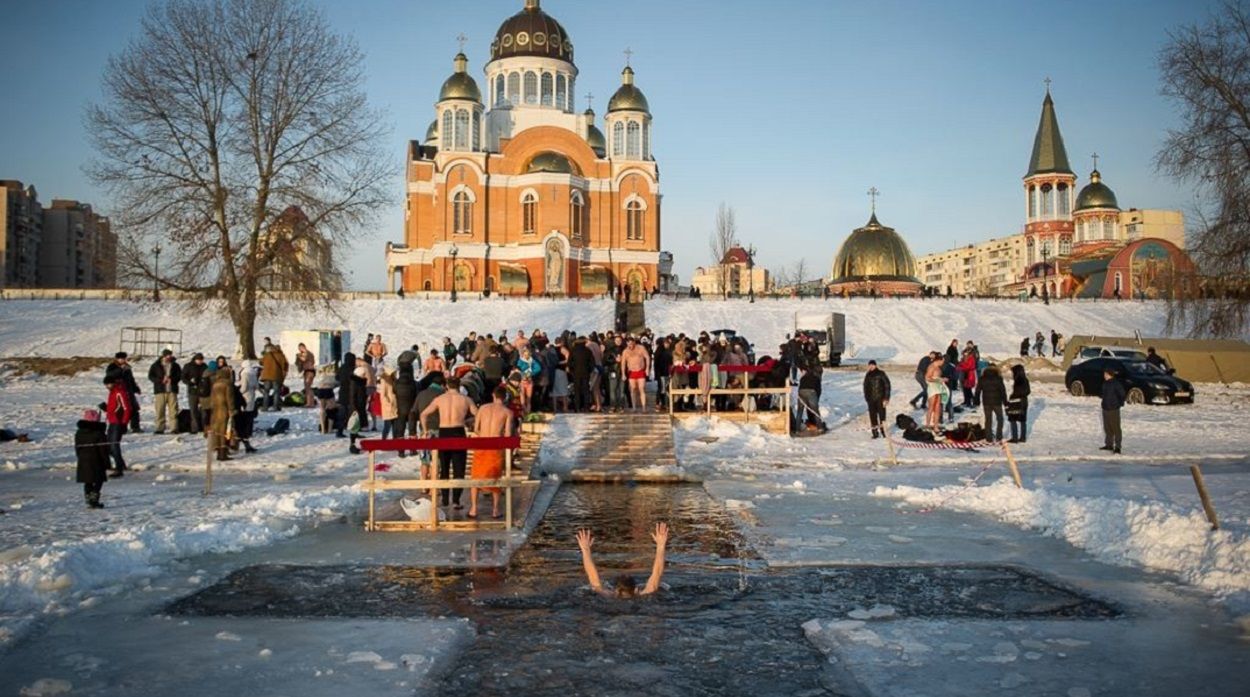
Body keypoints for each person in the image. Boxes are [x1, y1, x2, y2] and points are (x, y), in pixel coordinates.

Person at [420, 376, 478, 510]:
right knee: (459, 469)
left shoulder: (440, 399)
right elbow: (478, 415)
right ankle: (456, 500)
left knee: (444, 468)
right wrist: (469, 423)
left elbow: (423, 414)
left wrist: (425, 430)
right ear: (459, 386)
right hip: (458, 432)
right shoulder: (466, 399)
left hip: (444, 432)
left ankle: (445, 499)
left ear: (446, 386)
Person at [575, 522, 669, 598]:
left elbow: (593, 578)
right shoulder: (644, 595)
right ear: (636, 590)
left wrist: (585, 549)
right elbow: (657, 573)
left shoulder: (607, 595)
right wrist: (661, 545)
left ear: (615, 591)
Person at [469, 385, 514, 519]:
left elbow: (476, 428)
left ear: (493, 396)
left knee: (476, 477)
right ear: (505, 397)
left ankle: (473, 509)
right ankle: (495, 510)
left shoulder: (483, 408)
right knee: (495, 478)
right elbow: (507, 434)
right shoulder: (507, 412)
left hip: (481, 444)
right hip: (495, 446)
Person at [75, 408, 110, 509]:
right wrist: (106, 462)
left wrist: (79, 457)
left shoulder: (79, 433)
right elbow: (103, 450)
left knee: (88, 480)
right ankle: (94, 498)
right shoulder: (99, 433)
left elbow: (77, 448)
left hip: (83, 459)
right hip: (97, 460)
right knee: (98, 480)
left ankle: (88, 498)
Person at [105, 352, 142, 433]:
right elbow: (109, 375)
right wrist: (121, 369)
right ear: (117, 359)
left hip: (129, 390)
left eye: (124, 359)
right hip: (118, 392)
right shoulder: (112, 366)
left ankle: (135, 427)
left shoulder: (127, 368)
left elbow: (131, 379)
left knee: (134, 409)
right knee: (121, 410)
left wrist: (136, 388)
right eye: (121, 359)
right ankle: (122, 427)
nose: (122, 360)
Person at [147, 349, 181, 434]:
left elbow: (179, 376)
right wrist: (160, 380)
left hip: (172, 390)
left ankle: (174, 428)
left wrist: (172, 379)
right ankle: (160, 428)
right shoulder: (156, 365)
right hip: (160, 390)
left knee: (173, 410)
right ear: (163, 356)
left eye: (170, 355)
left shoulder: (175, 365)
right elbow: (151, 376)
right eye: (167, 355)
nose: (168, 357)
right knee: (160, 410)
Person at [104, 375, 132, 477]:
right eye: (106, 385)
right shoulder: (112, 393)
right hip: (112, 422)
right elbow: (114, 407)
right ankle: (121, 464)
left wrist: (124, 423)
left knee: (114, 446)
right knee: (109, 446)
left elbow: (126, 408)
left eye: (108, 384)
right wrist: (106, 409)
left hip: (118, 423)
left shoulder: (120, 392)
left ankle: (119, 468)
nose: (107, 386)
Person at [209, 368, 237, 462]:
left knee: (217, 430)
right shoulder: (228, 384)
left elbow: (212, 399)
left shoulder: (215, 384)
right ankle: (223, 453)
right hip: (224, 409)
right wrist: (232, 409)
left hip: (216, 410)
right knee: (226, 430)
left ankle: (218, 450)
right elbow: (230, 398)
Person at [620, 337, 651, 413]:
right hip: (631, 371)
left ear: (634, 342)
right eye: (628, 344)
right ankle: (634, 407)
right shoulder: (625, 351)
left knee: (641, 388)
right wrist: (623, 373)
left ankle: (644, 407)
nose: (630, 345)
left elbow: (647, 357)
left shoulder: (640, 348)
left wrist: (647, 368)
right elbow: (623, 363)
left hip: (640, 370)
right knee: (633, 389)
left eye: (631, 343)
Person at [1100, 368, 1126, 454]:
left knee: (1116, 428)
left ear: (1109, 374)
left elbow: (1122, 394)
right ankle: (1109, 444)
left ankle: (1118, 447)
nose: (1104, 375)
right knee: (1107, 428)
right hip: (1105, 408)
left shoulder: (1116, 383)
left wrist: (1119, 403)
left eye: (1105, 374)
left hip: (1113, 408)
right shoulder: (1105, 383)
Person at [862, 360, 891, 439]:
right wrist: (867, 397)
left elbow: (887, 386)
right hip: (871, 400)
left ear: (875, 365)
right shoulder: (868, 375)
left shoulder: (881, 374)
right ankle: (875, 432)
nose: (871, 367)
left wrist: (886, 398)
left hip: (880, 398)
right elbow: (865, 386)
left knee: (882, 416)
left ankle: (884, 431)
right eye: (869, 365)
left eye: (872, 365)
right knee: (873, 416)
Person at [978, 365, 1007, 442]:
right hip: (997, 402)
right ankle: (999, 436)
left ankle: (988, 437)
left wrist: (976, 401)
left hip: (986, 402)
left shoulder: (982, 378)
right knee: (1000, 419)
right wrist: (1005, 402)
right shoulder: (998, 378)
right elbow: (1003, 391)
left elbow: (978, 390)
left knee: (988, 420)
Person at [259, 342, 289, 412]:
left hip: (266, 376)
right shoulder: (281, 356)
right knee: (276, 392)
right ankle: (275, 407)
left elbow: (260, 362)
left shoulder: (267, 355)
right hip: (276, 376)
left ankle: (265, 407)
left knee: (266, 392)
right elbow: (285, 366)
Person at [183, 353, 207, 434]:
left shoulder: (204, 366)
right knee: (193, 410)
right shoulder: (188, 366)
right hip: (192, 392)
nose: (200, 361)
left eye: (201, 360)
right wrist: (190, 382)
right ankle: (194, 428)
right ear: (195, 359)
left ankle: (204, 427)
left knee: (204, 411)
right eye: (199, 360)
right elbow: (183, 377)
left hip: (202, 392)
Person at [1007, 364, 1031, 443]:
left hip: (1017, 402)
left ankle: (1015, 437)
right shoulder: (1025, 379)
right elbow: (1028, 391)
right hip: (1024, 401)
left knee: (1012, 419)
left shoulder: (1018, 380)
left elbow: (1019, 391)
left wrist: (1013, 395)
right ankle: (1022, 437)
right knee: (1022, 420)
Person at [515, 346, 542, 417]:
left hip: (529, 382)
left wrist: (531, 373)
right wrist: (524, 373)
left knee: (529, 399)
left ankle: (528, 413)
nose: (526, 356)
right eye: (525, 354)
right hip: (522, 382)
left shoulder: (532, 360)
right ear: (523, 354)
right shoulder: (520, 361)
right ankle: (523, 412)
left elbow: (538, 368)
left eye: (528, 354)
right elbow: (518, 370)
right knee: (522, 398)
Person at [924, 354, 945, 431]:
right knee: (931, 407)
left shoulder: (938, 368)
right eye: (942, 361)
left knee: (937, 408)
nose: (943, 363)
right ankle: (927, 425)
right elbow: (927, 378)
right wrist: (939, 380)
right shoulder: (931, 367)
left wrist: (942, 379)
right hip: (932, 389)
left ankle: (936, 426)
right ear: (938, 360)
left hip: (938, 388)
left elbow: (938, 378)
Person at [378, 367, 399, 439]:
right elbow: (383, 395)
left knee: (395, 426)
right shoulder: (384, 380)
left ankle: (395, 440)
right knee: (387, 425)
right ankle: (384, 441)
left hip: (395, 405)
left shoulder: (393, 380)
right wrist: (388, 403)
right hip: (388, 407)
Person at [295, 343, 317, 407]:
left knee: (308, 387)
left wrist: (299, 356)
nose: (299, 350)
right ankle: (309, 402)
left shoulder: (308, 353)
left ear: (303, 347)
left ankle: (310, 403)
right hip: (306, 371)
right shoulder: (304, 354)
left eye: (300, 348)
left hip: (310, 371)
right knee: (307, 387)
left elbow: (304, 359)